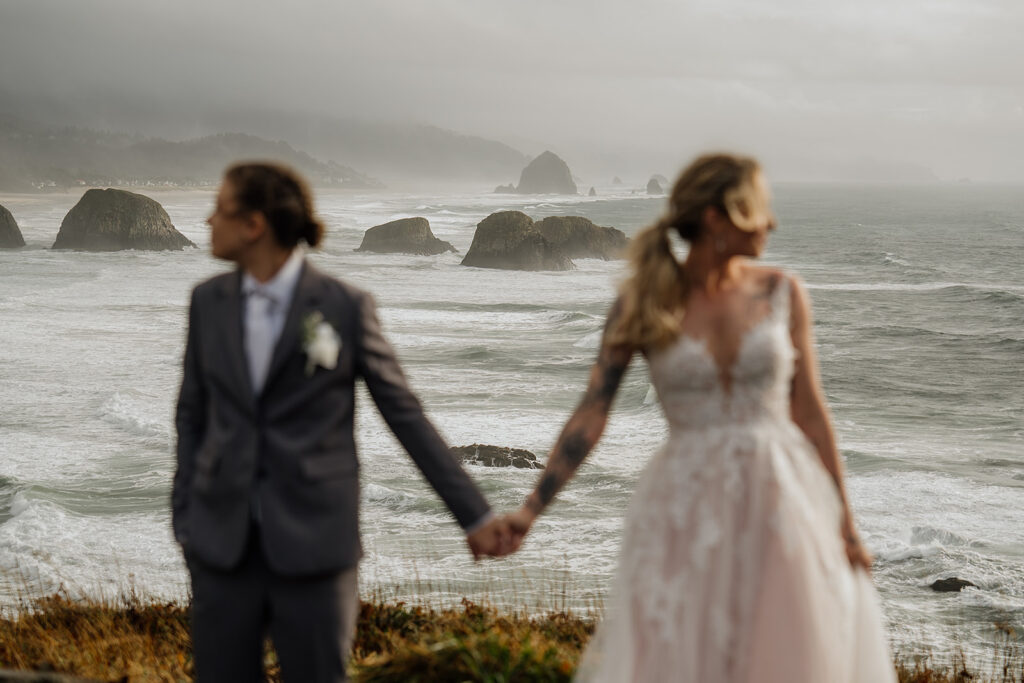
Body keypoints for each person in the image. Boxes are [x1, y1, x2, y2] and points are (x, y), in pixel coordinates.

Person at [503, 154, 896, 681]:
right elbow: (591, 414)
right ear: (717, 217)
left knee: (785, 652)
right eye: (758, 209)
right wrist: (530, 512)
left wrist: (847, 527)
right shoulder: (642, 302)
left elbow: (810, 414)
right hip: (684, 507)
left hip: (782, 502)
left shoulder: (782, 292)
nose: (771, 222)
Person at [172, 162, 510, 682]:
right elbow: (191, 416)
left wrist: (474, 514)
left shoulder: (343, 307)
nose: (207, 218)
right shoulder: (207, 303)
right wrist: (187, 520)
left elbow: (403, 412)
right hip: (221, 548)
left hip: (315, 545)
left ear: (254, 225)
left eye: (220, 208)